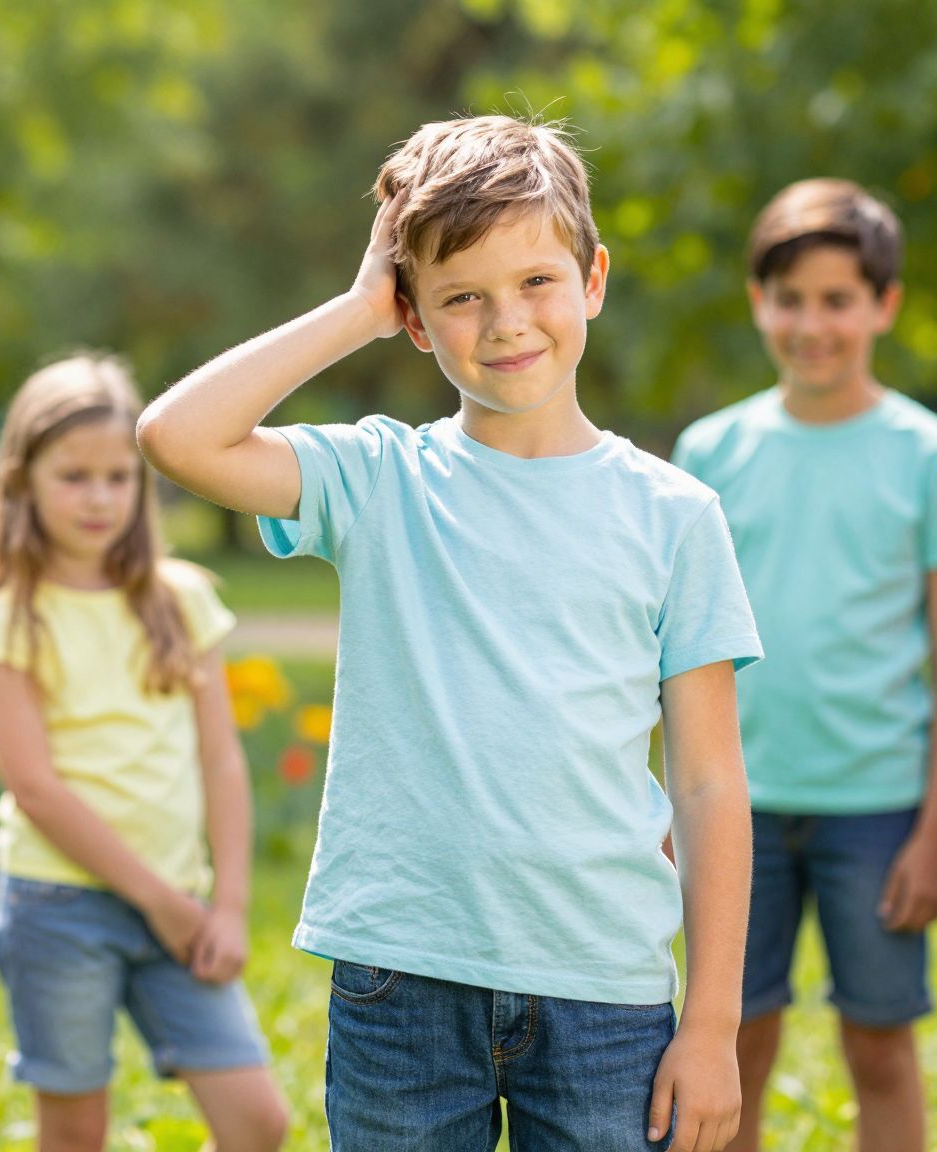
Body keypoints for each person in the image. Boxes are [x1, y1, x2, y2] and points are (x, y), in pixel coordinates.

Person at [136, 115, 761, 1152]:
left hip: (602, 989)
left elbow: (707, 785)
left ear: (593, 280)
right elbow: (176, 436)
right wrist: (351, 311)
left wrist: (711, 1023)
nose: (505, 322)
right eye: (459, 297)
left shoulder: (673, 515)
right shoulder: (378, 480)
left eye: (534, 284)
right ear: (413, 319)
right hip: (401, 978)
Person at [671, 177, 937, 1152]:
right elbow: (672, 652)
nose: (812, 323)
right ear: (757, 301)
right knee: (733, 1041)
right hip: (737, 807)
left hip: (877, 813)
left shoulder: (933, 458)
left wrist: (936, 834)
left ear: (882, 305)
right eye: (790, 299)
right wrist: (666, 809)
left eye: (837, 300)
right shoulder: (708, 449)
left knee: (880, 1050)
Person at [0, 354, 288, 1152]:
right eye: (73, 476)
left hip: (184, 905)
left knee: (257, 1124)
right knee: (76, 1131)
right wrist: (160, 901)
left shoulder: (183, 600)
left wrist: (229, 906)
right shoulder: (13, 620)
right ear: (23, 481)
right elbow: (35, 790)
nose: (100, 497)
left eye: (118, 476)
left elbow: (221, 762)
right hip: (58, 907)